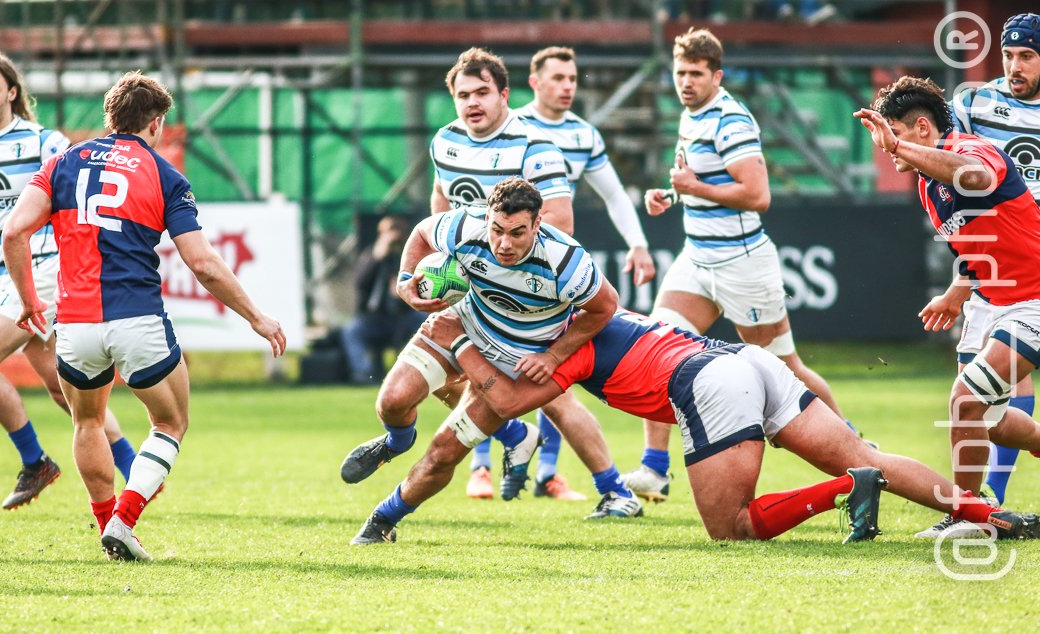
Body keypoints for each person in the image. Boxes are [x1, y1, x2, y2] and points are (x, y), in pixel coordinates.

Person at [418, 308, 1040, 543]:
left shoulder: (566, 346)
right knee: (870, 455)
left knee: (732, 529)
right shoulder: (598, 307)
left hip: (715, 387)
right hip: (744, 359)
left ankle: (847, 490)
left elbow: (500, 403)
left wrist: (461, 347)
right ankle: (990, 516)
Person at [2, 71, 286, 561]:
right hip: (137, 321)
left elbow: (13, 233)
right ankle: (124, 520)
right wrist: (256, 317)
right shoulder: (165, 175)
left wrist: (29, 301)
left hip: (75, 324)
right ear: (155, 124)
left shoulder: (62, 163)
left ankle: (107, 530)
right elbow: (202, 264)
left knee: (87, 424)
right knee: (171, 423)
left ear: (110, 117)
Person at [343, 178, 643, 545]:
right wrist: (406, 279)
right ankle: (397, 441)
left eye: (517, 233)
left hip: (515, 360)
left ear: (537, 224)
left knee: (443, 453)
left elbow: (604, 307)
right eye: (497, 230)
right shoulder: (465, 226)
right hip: (460, 323)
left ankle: (382, 520)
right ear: (487, 218)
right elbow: (422, 233)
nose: (504, 243)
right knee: (391, 402)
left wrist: (553, 355)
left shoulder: (565, 260)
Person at [623, 28, 848, 503]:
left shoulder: (731, 120)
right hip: (698, 257)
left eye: (696, 74)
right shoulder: (693, 114)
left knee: (786, 367)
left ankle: (856, 447)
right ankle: (655, 467)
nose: (686, 81)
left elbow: (757, 195)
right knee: (656, 345)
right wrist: (671, 195)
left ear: (716, 75)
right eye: (680, 73)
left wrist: (692, 187)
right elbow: (702, 180)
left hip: (742, 264)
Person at [423, 47, 636, 506]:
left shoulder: (536, 144)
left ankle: (613, 489)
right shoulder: (445, 141)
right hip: (470, 286)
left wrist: (501, 264)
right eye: (464, 94)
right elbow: (440, 202)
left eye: (482, 91)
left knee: (551, 397)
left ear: (505, 95)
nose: (473, 101)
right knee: (442, 375)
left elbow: (561, 222)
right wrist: (448, 262)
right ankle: (510, 443)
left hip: (526, 295)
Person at [855, 75, 1040, 539]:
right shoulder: (925, 185)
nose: (889, 149)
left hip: (1033, 299)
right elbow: (978, 244)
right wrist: (959, 290)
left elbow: (974, 177)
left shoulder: (975, 150)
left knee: (965, 402)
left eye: (894, 134)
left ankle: (969, 517)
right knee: (990, 420)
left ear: (922, 128)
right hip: (990, 299)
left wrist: (899, 145)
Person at [0, 49, 138, 510]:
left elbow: (82, 186)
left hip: (46, 268)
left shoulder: (42, 141)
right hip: (12, 274)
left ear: (12, 93)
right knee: (66, 391)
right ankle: (136, 470)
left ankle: (35, 461)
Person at [944, 12, 1040, 517]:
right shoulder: (974, 102)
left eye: (1027, 55)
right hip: (987, 262)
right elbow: (956, 181)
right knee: (986, 406)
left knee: (989, 387)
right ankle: (983, 503)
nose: (1015, 65)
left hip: (1031, 268)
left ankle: (988, 502)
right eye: (1008, 55)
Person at [340, 215, 426, 384]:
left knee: (427, 322)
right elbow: (360, 282)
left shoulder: (409, 259)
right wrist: (377, 257)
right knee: (352, 331)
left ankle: (421, 372)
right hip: (373, 319)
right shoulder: (370, 257)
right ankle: (364, 373)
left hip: (403, 316)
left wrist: (403, 292)